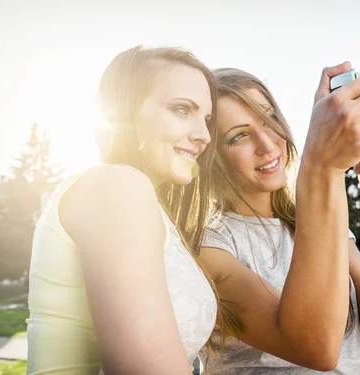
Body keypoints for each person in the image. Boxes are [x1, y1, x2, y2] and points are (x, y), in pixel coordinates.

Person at [26, 46, 235, 374]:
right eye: (181, 109)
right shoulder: (116, 186)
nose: (204, 136)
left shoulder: (144, 202)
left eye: (206, 119)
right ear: (125, 112)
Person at [197, 67, 360, 374]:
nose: (267, 144)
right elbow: (314, 348)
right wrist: (322, 167)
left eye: (269, 118)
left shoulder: (310, 221)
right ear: (210, 155)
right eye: (239, 135)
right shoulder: (207, 245)